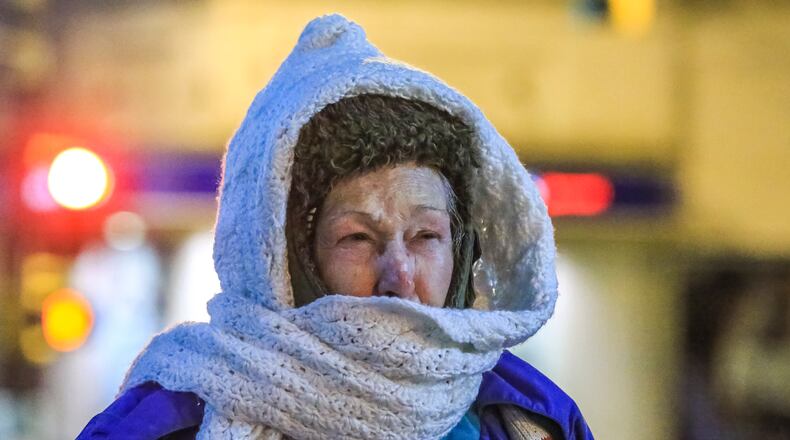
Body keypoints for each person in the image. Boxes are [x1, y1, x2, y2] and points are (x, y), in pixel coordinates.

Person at [78, 14, 593, 440]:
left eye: (426, 236)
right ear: (286, 264)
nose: (399, 276)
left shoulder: (531, 422)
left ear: (463, 253)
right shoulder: (166, 426)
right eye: (357, 238)